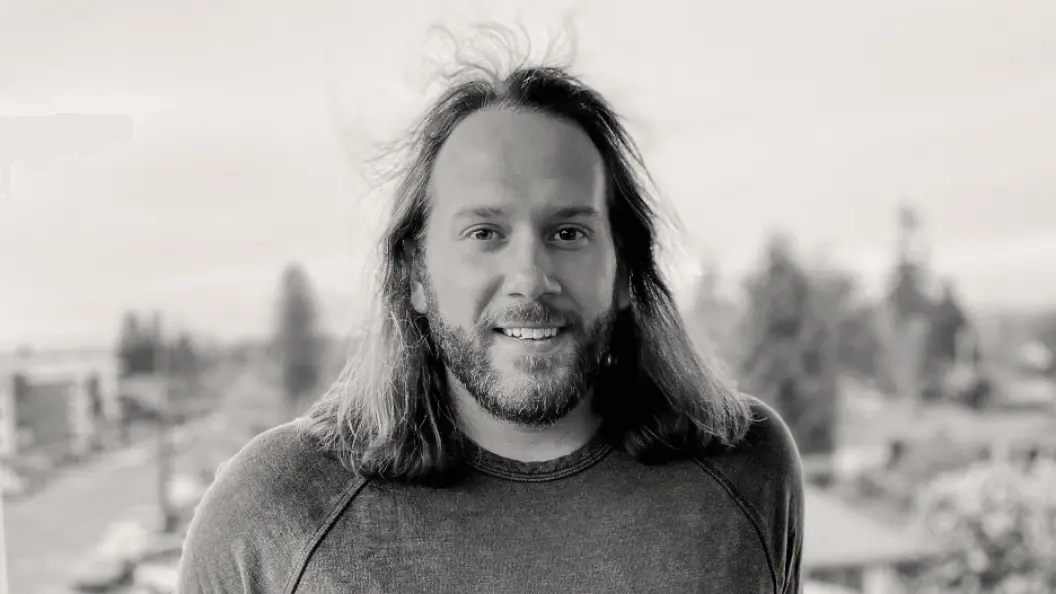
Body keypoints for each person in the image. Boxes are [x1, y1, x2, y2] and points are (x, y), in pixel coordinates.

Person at [178, 50, 804, 594]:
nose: (530, 276)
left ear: (621, 274)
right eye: (484, 233)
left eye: (568, 232)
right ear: (416, 276)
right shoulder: (271, 512)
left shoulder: (749, 471)